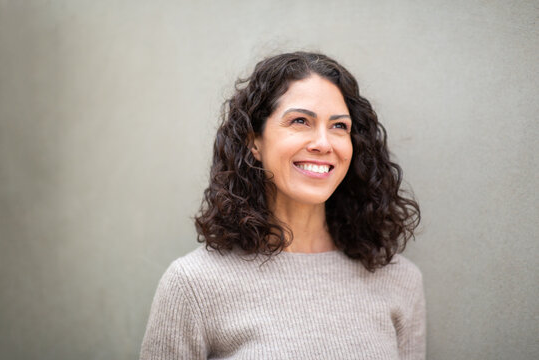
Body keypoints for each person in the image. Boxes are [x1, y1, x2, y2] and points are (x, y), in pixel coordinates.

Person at [140, 51, 425, 359]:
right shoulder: (193, 285)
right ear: (254, 142)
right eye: (300, 121)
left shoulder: (400, 280)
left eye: (339, 126)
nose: (323, 143)